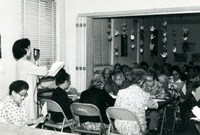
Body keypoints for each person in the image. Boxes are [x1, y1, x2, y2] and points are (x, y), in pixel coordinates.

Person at [114, 68, 158, 135]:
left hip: (120, 127)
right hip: (137, 129)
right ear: (141, 81)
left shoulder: (121, 92)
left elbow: (115, 109)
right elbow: (154, 106)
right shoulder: (145, 95)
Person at [12, 38, 48, 119]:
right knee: (30, 118)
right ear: (25, 49)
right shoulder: (25, 63)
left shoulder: (20, 62)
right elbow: (44, 72)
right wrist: (47, 68)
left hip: (25, 94)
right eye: (29, 48)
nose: (31, 51)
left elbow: (35, 73)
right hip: (28, 96)